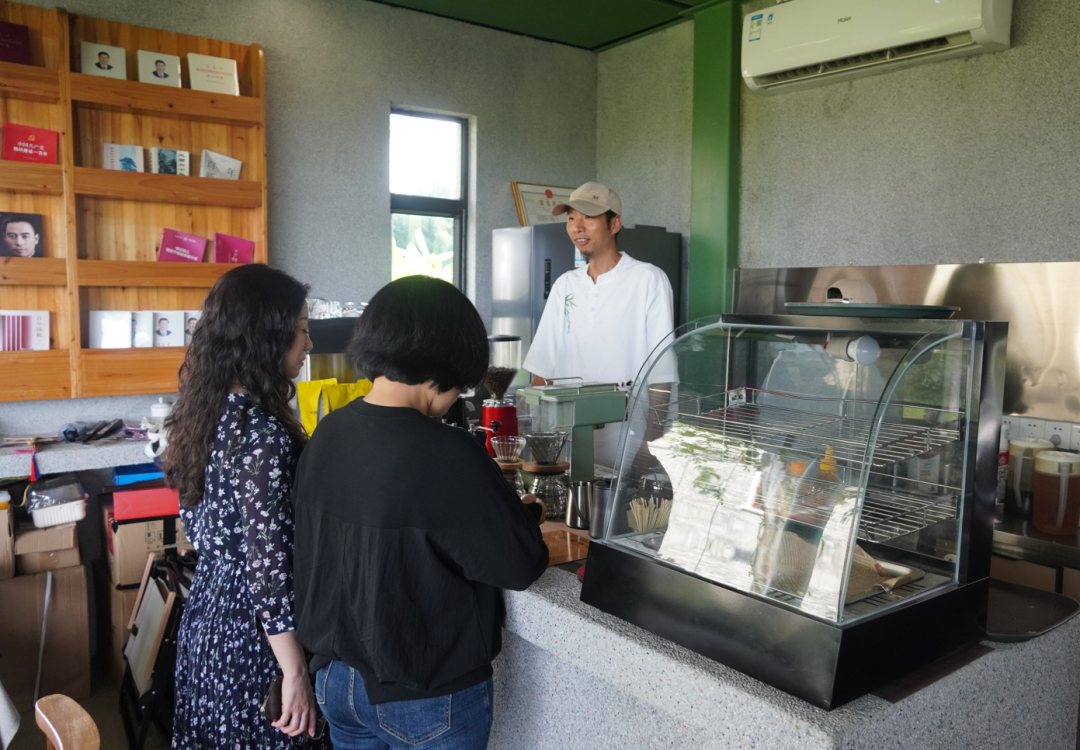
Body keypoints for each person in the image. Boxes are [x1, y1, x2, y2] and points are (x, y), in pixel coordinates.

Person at [292, 275, 548, 750]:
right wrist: (525, 515)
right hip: (424, 692)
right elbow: (517, 564)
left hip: (336, 681)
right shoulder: (449, 452)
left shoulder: (327, 432)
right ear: (446, 363)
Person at [165, 265, 320, 748]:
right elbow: (267, 569)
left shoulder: (203, 412)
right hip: (254, 637)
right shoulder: (263, 435)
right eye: (301, 330)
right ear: (266, 338)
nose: (309, 344)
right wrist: (294, 671)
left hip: (208, 615)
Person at [522, 181, 676, 464]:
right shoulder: (565, 285)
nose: (577, 227)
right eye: (571, 218)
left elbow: (661, 367)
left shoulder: (648, 279)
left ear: (615, 224)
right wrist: (523, 422)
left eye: (588, 217)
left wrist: (651, 438)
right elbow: (544, 368)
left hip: (626, 435)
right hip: (566, 432)